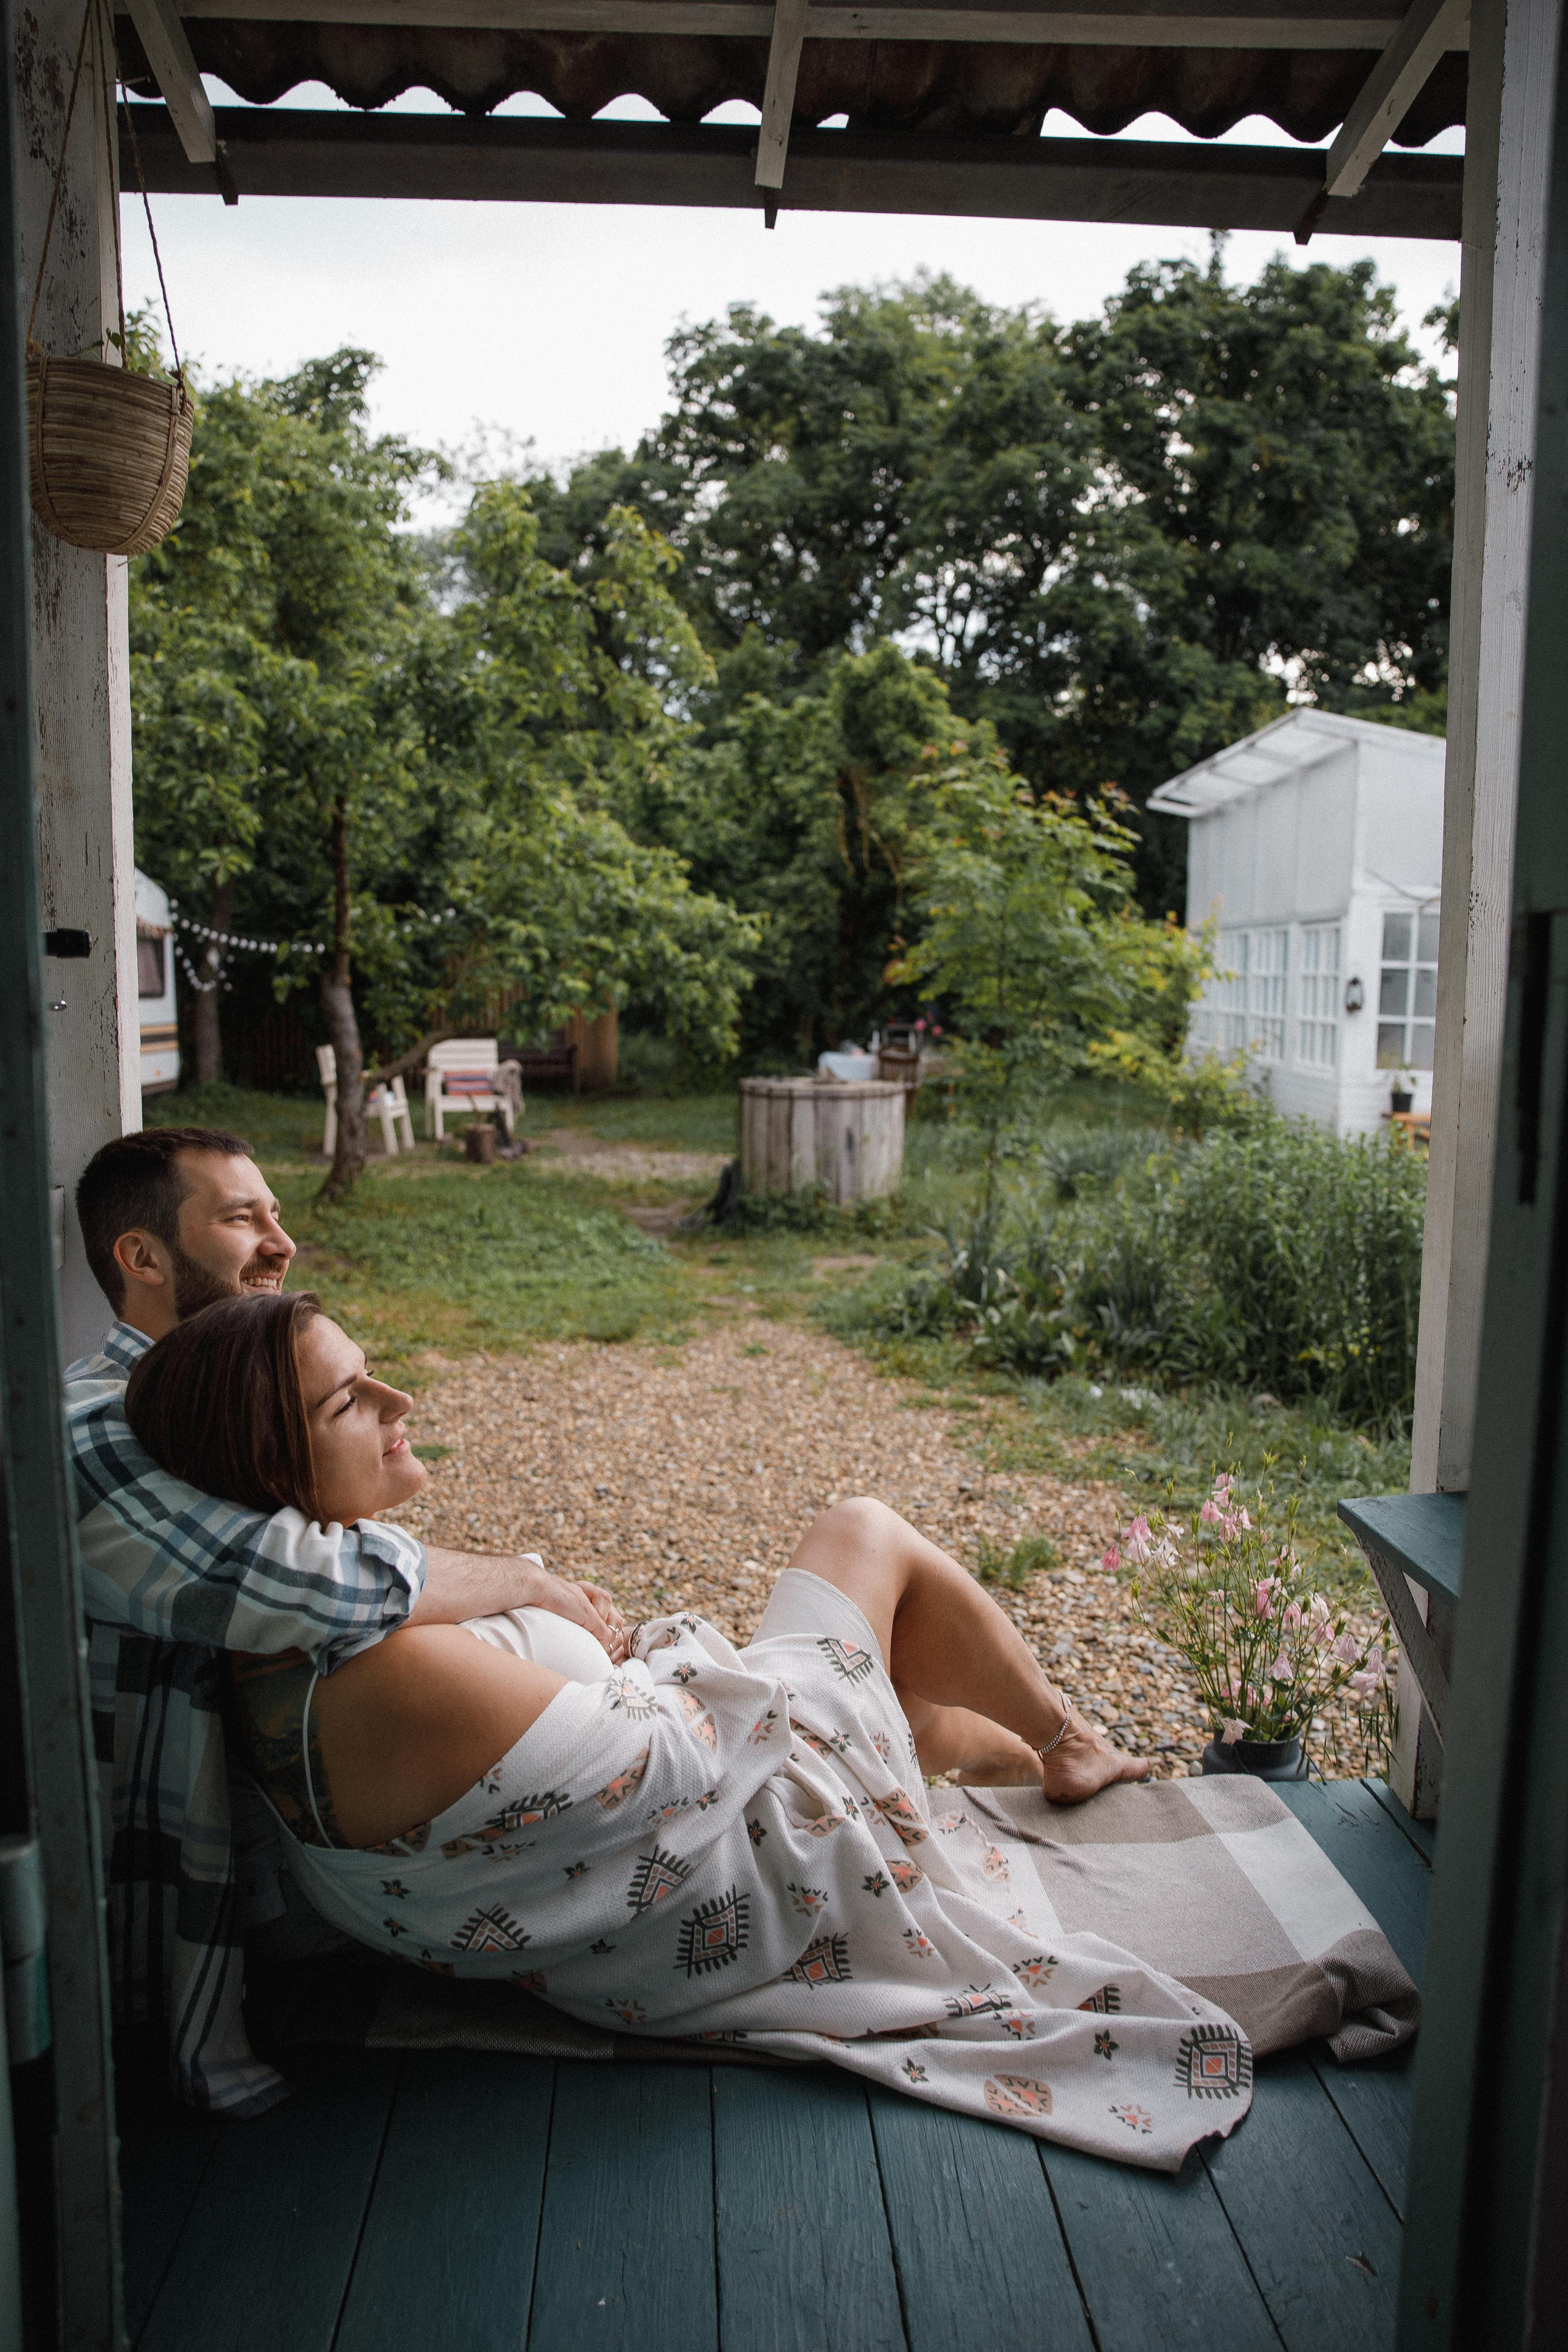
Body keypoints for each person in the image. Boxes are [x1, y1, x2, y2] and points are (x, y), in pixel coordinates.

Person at [123, 1295, 1251, 2173]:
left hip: (606, 1897)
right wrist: (660, 1654)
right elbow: (682, 1765)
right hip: (752, 1880)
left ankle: (952, 1742)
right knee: (864, 1530)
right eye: (349, 1402)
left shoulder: (280, 1638)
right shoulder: (389, 1677)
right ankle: (1063, 1743)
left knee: (874, 1678)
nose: (398, 1399)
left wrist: (544, 1612)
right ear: (269, 1469)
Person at [67, 1126, 624, 2116]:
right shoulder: (93, 1427)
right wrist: (531, 1586)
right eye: (242, 1218)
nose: (282, 1242)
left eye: (277, 1214)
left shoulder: (215, 1396)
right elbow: (317, 1583)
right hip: (222, 1909)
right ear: (142, 1258)